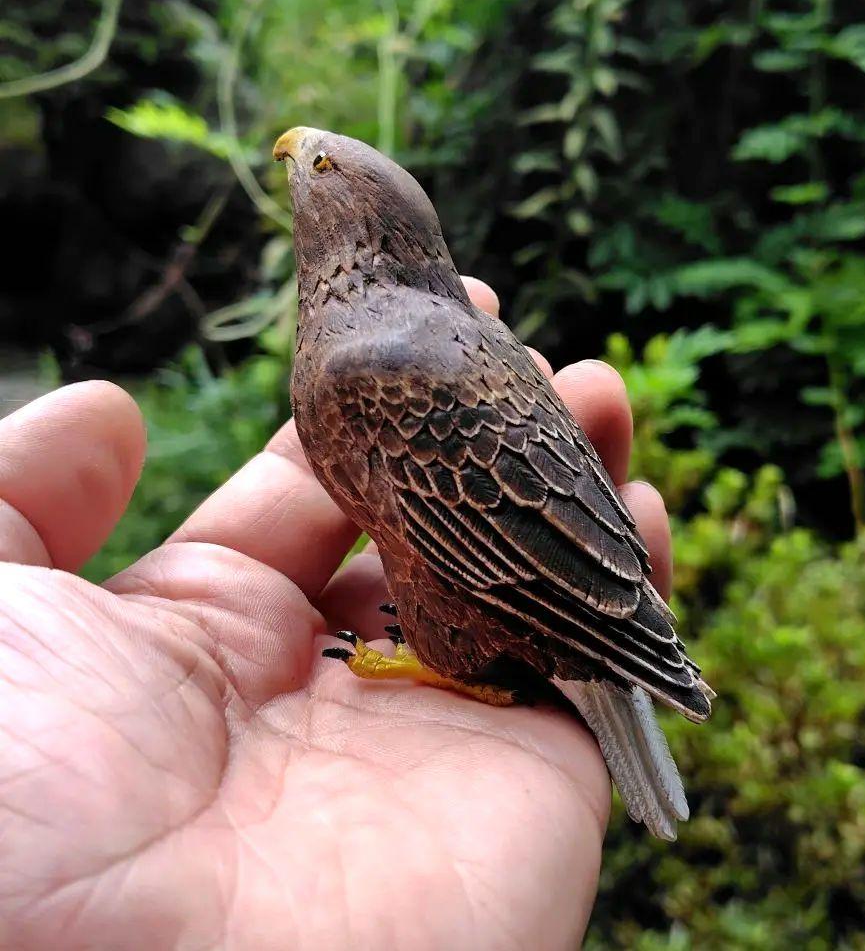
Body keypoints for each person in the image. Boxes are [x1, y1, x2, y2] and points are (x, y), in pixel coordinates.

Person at [0, 278, 673, 949]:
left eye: (315, 162)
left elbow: (490, 535)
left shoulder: (395, 362)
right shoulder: (414, 353)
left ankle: (457, 663)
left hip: (529, 602)